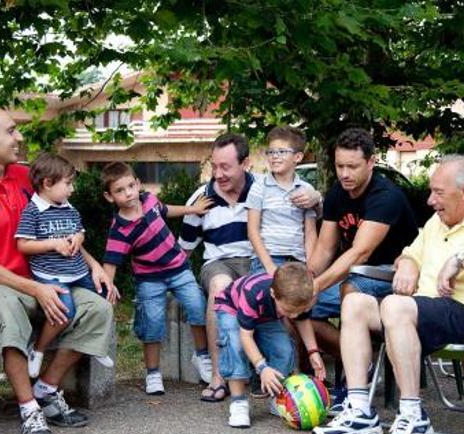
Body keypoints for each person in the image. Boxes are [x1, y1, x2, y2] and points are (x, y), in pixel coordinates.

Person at [312, 156, 464, 434]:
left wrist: (462, 260)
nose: (430, 201)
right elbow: (409, 254)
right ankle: (359, 410)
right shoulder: (436, 223)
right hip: (420, 309)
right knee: (353, 302)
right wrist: (407, 264)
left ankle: (413, 415)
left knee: (394, 305)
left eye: (438, 193)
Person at [0, 108, 114, 434]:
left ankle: (46, 390)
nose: (19, 138)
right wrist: (35, 288)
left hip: (47, 280)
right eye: (11, 131)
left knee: (98, 309)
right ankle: (29, 410)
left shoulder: (27, 177)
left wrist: (92, 263)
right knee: (5, 306)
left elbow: (62, 228)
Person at [179, 133, 321, 402]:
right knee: (221, 287)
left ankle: (275, 376)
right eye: (214, 166)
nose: (218, 174)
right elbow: (183, 250)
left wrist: (316, 196)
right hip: (218, 263)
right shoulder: (201, 198)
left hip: (255, 262)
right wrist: (177, 286)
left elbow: (303, 208)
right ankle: (219, 376)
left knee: (283, 296)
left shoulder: (261, 188)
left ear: (244, 164)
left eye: (225, 167)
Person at [306, 127, 418, 414]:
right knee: (298, 309)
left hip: (394, 275)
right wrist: (306, 282)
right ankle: (365, 363)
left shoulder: (386, 196)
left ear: (371, 162)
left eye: (352, 166)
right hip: (358, 271)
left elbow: (360, 252)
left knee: (351, 287)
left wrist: (318, 286)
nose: (344, 173)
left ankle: (352, 385)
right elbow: (325, 249)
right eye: (339, 166)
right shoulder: (336, 194)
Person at [100, 161, 212, 395]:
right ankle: (153, 373)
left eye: (131, 186)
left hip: (179, 269)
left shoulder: (149, 200)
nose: (128, 193)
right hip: (149, 280)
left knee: (198, 306)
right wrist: (106, 290)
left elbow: (166, 209)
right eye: (119, 190)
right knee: (152, 324)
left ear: (138, 184)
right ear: (110, 197)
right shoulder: (120, 230)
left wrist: (192, 209)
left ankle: (202, 357)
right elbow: (110, 263)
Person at [14, 152, 117, 378]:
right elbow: (23, 245)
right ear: (47, 183)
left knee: (105, 296)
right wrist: (52, 244)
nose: (72, 189)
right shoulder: (32, 212)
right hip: (51, 275)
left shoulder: (68, 207)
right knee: (65, 311)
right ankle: (38, 350)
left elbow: (79, 232)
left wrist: (79, 238)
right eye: (68, 184)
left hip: (77, 270)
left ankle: (95, 344)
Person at [214, 262, 326, 428]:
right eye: (289, 311)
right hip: (232, 308)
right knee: (235, 344)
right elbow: (246, 336)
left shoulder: (299, 297)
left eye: (297, 311)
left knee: (284, 349)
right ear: (274, 294)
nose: (294, 315)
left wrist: (313, 352)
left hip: (266, 316)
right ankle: (238, 402)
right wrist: (262, 367)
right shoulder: (253, 293)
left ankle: (277, 398)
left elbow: (302, 320)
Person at [246, 125, 318, 275]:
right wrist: (270, 266)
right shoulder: (259, 188)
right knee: (278, 292)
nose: (274, 156)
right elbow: (252, 231)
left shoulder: (305, 190)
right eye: (271, 152)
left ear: (298, 157)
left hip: (298, 261)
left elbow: (310, 233)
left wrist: (311, 269)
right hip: (267, 260)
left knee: (330, 295)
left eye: (282, 152)